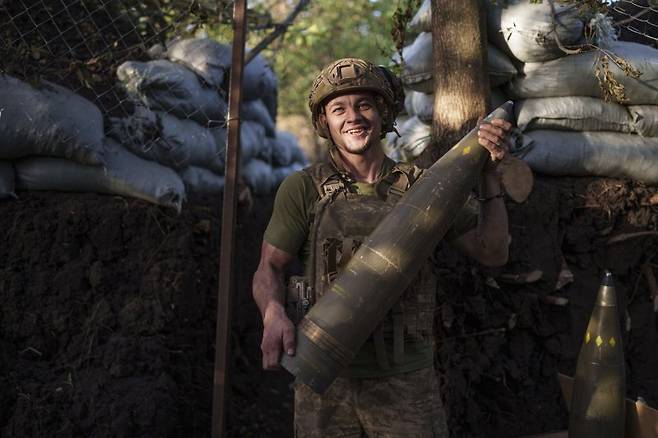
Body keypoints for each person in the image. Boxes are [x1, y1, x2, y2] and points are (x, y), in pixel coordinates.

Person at [252, 58, 512, 437]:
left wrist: (489, 176)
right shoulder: (303, 189)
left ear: (383, 113)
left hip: (406, 381)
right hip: (323, 380)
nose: (353, 117)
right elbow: (268, 269)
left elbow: (493, 253)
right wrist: (272, 312)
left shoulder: (425, 186)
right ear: (325, 122)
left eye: (364, 105)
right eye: (338, 108)